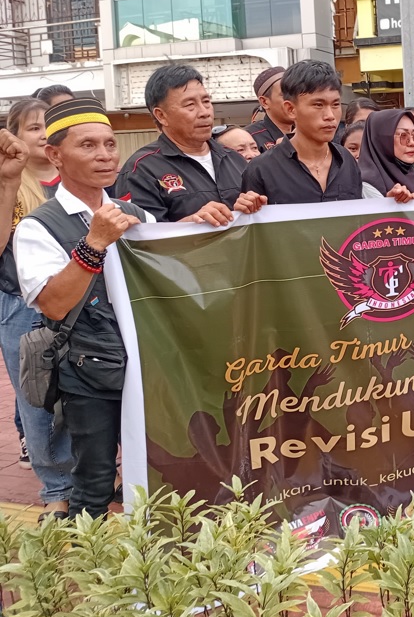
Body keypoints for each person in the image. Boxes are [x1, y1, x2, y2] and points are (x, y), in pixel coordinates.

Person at [13, 98, 155, 518]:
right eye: (88, 145)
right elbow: (54, 305)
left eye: (110, 144)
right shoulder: (39, 225)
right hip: (87, 369)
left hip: (144, 365)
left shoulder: (134, 214)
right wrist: (93, 244)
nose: (105, 155)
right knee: (94, 481)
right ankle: (88, 557)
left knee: (157, 467)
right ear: (55, 155)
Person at [0, 103, 74, 518]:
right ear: (15, 136)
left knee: (87, 392)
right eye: (33, 127)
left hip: (83, 300)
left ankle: (95, 474)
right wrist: (8, 183)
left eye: (51, 125)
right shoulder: (9, 180)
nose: (44, 133)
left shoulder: (75, 180)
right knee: (39, 398)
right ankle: (57, 488)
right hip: (22, 303)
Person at [116, 64, 265, 225]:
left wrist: (251, 206)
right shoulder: (141, 169)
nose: (204, 112)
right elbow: (139, 234)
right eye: (190, 105)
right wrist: (191, 223)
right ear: (161, 116)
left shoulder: (234, 159)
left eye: (206, 101)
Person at [241, 61, 362, 205]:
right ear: (290, 109)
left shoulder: (347, 160)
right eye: (318, 105)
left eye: (335, 104)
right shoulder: (261, 169)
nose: (330, 115)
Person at [357, 109, 414, 202]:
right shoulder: (367, 183)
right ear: (382, 140)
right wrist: (389, 202)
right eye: (403, 135)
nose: (412, 143)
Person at [245, 66, 294, 151]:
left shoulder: (306, 132)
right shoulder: (250, 137)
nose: (293, 99)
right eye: (285, 95)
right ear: (264, 102)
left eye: (295, 93)